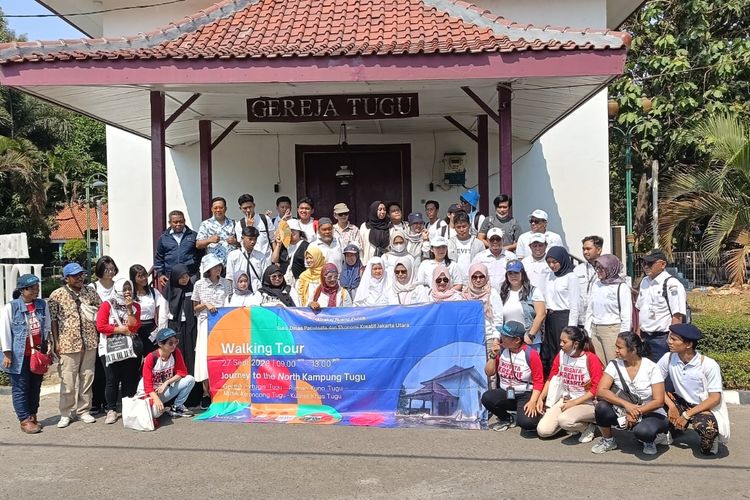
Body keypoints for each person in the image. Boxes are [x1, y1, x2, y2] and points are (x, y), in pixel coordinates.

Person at [591, 332, 669, 455]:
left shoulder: (652, 367)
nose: (616, 350)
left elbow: (659, 401)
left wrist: (637, 412)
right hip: (624, 411)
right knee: (601, 407)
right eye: (616, 346)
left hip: (650, 412)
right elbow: (601, 391)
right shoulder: (614, 365)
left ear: (633, 349)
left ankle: (652, 439)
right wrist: (628, 406)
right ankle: (608, 441)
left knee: (643, 432)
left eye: (620, 347)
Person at [659, 324, 727, 455]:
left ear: (688, 344)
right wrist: (671, 405)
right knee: (654, 404)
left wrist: (686, 415)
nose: (669, 341)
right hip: (679, 401)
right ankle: (671, 430)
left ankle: (711, 440)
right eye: (669, 337)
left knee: (708, 433)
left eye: (674, 339)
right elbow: (655, 384)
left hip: (702, 406)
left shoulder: (709, 365)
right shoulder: (668, 358)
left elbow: (715, 398)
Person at [48, 262, 102, 428]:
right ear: (66, 278)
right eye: (76, 275)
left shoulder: (90, 292)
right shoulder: (57, 295)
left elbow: (101, 311)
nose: (80, 278)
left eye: (82, 274)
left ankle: (84, 410)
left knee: (87, 377)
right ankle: (65, 413)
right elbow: (53, 320)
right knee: (68, 380)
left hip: (90, 341)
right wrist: (56, 341)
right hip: (67, 342)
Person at [1, 274, 52, 434]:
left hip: (37, 353)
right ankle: (24, 419)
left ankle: (32, 414)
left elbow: (47, 326)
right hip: (19, 355)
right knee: (20, 387)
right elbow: (4, 332)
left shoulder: (42, 305)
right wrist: (7, 353)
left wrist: (49, 343)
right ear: (23, 290)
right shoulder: (12, 307)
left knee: (35, 386)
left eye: (37, 287)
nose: (37, 290)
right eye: (33, 288)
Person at [536, 326, 603, 443]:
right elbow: (552, 377)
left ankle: (587, 427)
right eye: (560, 341)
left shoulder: (591, 359)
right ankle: (570, 425)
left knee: (565, 420)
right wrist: (541, 398)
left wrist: (574, 403)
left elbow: (596, 389)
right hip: (565, 399)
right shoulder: (561, 355)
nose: (561, 344)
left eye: (564, 341)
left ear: (576, 344)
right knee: (543, 431)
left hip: (587, 402)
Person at [481, 321, 544, 432]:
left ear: (517, 340)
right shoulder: (501, 351)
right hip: (507, 392)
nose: (502, 338)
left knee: (527, 423)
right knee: (487, 398)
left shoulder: (531, 354)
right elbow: (489, 372)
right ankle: (507, 418)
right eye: (502, 335)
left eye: (505, 337)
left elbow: (539, 381)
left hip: (524, 394)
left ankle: (538, 414)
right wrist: (492, 356)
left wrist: (533, 401)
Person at [96, 278, 142, 425]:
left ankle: (128, 406)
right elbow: (101, 326)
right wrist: (118, 329)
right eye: (125, 288)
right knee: (112, 379)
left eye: (129, 288)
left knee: (129, 376)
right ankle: (111, 409)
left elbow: (135, 327)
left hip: (128, 347)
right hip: (110, 347)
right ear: (118, 289)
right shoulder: (107, 304)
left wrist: (129, 309)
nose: (127, 291)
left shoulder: (135, 306)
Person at [192, 254, 232, 409]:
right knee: (204, 357)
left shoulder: (226, 284)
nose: (219, 269)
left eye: (220, 266)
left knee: (223, 356)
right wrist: (206, 304)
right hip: (205, 323)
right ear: (208, 269)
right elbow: (194, 308)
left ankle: (221, 390)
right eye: (215, 267)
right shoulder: (199, 285)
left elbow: (230, 302)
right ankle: (206, 392)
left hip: (223, 324)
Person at [636, 249, 687, 362]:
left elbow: (677, 315)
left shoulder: (672, 284)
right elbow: (641, 309)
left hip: (662, 338)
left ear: (663, 264)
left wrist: (672, 338)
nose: (645, 266)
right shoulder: (644, 282)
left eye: (650, 263)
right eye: (643, 263)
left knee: (664, 374)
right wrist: (638, 333)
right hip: (645, 337)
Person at [137, 328, 196, 419]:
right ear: (160, 344)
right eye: (170, 343)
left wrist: (167, 382)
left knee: (190, 379)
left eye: (176, 342)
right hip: (148, 394)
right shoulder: (151, 358)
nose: (174, 345)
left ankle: (177, 406)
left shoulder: (176, 352)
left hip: (162, 391)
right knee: (155, 413)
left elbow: (182, 372)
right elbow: (147, 386)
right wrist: (155, 399)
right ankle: (157, 407)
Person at [162, 264, 199, 406]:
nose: (184, 279)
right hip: (174, 329)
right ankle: (173, 398)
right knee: (177, 360)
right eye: (181, 277)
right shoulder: (169, 290)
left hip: (190, 328)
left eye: (186, 276)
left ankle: (192, 397)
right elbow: (164, 312)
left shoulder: (192, 288)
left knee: (191, 359)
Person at [585, 254, 631, 365]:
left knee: (614, 364)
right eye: (597, 268)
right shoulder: (596, 284)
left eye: (602, 268)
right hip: (595, 329)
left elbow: (626, 315)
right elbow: (590, 309)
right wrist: (588, 330)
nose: (598, 271)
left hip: (612, 330)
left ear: (610, 268)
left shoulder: (621, 287)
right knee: (599, 364)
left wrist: (622, 337)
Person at [543, 246, 580, 376]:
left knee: (563, 350)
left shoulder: (571, 277)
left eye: (555, 262)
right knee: (550, 351)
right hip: (550, 317)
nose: (552, 265)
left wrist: (571, 328)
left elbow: (575, 305)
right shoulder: (550, 276)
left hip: (564, 317)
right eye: (549, 262)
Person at [89, 255, 118, 415]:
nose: (110, 272)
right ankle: (96, 401)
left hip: (115, 331)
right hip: (97, 329)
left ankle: (110, 402)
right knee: (98, 367)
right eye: (107, 269)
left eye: (112, 268)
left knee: (111, 367)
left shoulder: (118, 286)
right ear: (100, 270)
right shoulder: (93, 287)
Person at [499, 260, 546, 351]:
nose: (513, 276)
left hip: (528, 341)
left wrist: (530, 335)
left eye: (516, 273)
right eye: (510, 273)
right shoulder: (503, 292)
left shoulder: (533, 291)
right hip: (509, 340)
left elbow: (541, 314)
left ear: (522, 273)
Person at [462, 264, 503, 357]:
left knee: (489, 370)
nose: (478, 280)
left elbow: (498, 318)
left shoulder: (492, 293)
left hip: (489, 338)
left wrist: (496, 338)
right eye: (474, 277)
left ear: (486, 277)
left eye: (481, 276)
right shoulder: (465, 294)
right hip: (470, 339)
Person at [154, 210, 198, 286]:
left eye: (181, 221)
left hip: (190, 276)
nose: (178, 224)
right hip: (170, 276)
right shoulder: (164, 237)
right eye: (175, 222)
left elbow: (200, 255)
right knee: (173, 298)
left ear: (184, 221)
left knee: (188, 297)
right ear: (170, 222)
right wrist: (160, 274)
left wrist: (197, 273)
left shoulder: (193, 236)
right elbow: (159, 257)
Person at [130, 264, 165, 355]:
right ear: (134, 279)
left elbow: (161, 310)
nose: (144, 278)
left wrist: (160, 326)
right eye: (140, 276)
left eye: (145, 275)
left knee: (151, 355)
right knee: (136, 357)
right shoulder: (130, 294)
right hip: (136, 328)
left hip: (151, 327)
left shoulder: (153, 292)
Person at [226, 225, 268, 294]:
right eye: (250, 239)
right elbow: (229, 278)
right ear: (242, 238)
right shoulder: (233, 255)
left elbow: (264, 277)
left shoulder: (261, 256)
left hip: (257, 293)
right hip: (238, 294)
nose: (253, 242)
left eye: (255, 239)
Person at [448, 211, 485, 287]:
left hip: (473, 283)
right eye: (458, 227)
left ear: (469, 225)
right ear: (454, 227)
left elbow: (483, 265)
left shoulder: (478, 244)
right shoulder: (449, 243)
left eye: (464, 226)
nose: (461, 230)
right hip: (454, 284)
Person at [573, 235, 604, 327]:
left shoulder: (608, 269)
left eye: (588, 249)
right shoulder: (577, 270)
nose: (585, 252)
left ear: (599, 250)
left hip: (599, 321)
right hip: (582, 320)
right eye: (583, 249)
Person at [234, 193, 274, 259]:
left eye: (250, 207)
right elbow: (243, 245)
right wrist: (249, 228)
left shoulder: (265, 219)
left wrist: (275, 260)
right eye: (245, 208)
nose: (248, 210)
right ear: (240, 208)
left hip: (267, 259)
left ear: (254, 205)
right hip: (250, 260)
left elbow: (273, 240)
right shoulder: (239, 225)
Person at [277, 218, 309, 284]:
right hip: (285, 281)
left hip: (300, 281)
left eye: (293, 231)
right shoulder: (284, 246)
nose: (290, 233)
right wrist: (278, 245)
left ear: (299, 232)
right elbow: (274, 260)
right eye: (288, 231)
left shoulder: (306, 246)